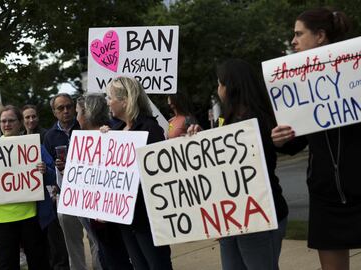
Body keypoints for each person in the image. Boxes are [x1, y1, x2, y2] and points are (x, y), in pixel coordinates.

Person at [271, 7, 357, 270]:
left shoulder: (356, 70)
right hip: (325, 195)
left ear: (320, 36)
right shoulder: (296, 85)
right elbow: (297, 141)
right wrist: (280, 140)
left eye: (299, 34)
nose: (293, 41)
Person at [189, 59, 288, 270]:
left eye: (219, 83)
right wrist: (200, 139)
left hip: (259, 217)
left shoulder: (259, 120)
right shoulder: (228, 119)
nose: (218, 88)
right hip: (232, 220)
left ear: (230, 86)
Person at [0, 105, 55, 269]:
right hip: (0, 220)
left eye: (11, 120)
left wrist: (45, 171)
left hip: (31, 217)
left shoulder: (34, 146)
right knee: (6, 265)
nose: (7, 124)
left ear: (19, 123)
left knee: (39, 262)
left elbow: (53, 177)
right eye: (3, 121)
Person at [105, 76, 173, 270]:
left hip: (147, 215)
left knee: (157, 264)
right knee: (139, 265)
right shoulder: (115, 130)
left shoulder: (150, 129)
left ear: (125, 100)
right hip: (126, 215)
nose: (108, 102)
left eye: (110, 98)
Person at [76, 93, 133, 270]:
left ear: (87, 114)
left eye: (78, 112)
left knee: (116, 260)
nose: (76, 117)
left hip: (111, 219)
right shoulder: (83, 141)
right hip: (97, 217)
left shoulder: (113, 135)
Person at [44, 93, 92, 270]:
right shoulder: (49, 136)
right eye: (60, 108)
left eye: (69, 106)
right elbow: (48, 169)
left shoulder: (84, 126)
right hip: (66, 194)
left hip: (89, 191)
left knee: (95, 238)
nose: (66, 111)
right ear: (54, 112)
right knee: (71, 241)